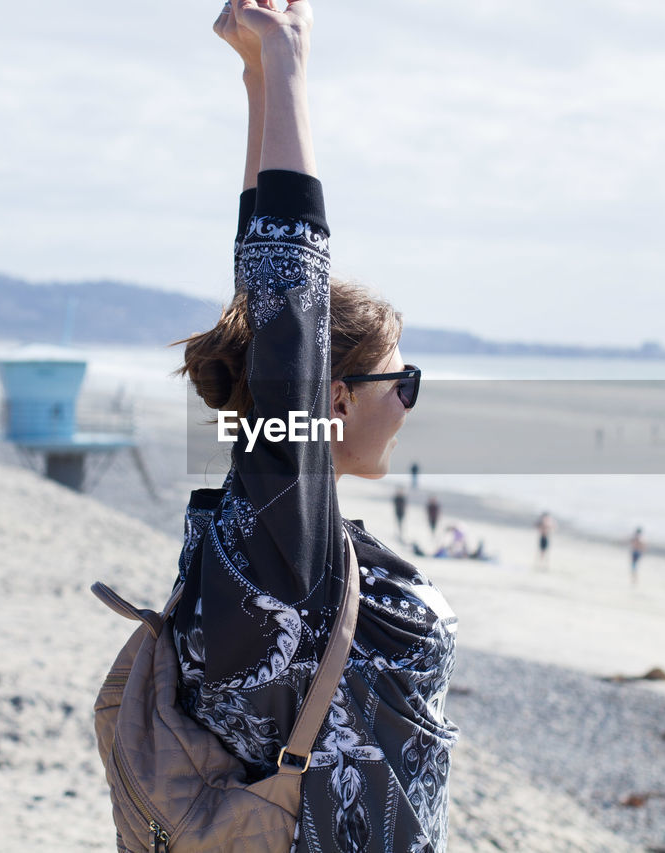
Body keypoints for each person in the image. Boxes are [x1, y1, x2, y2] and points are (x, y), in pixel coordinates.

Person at [170, 4, 457, 850]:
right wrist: (289, 71)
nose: (408, 400)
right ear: (329, 399)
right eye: (399, 380)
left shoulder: (265, 527)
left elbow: (266, 311)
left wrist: (257, 80)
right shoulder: (281, 540)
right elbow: (285, 292)